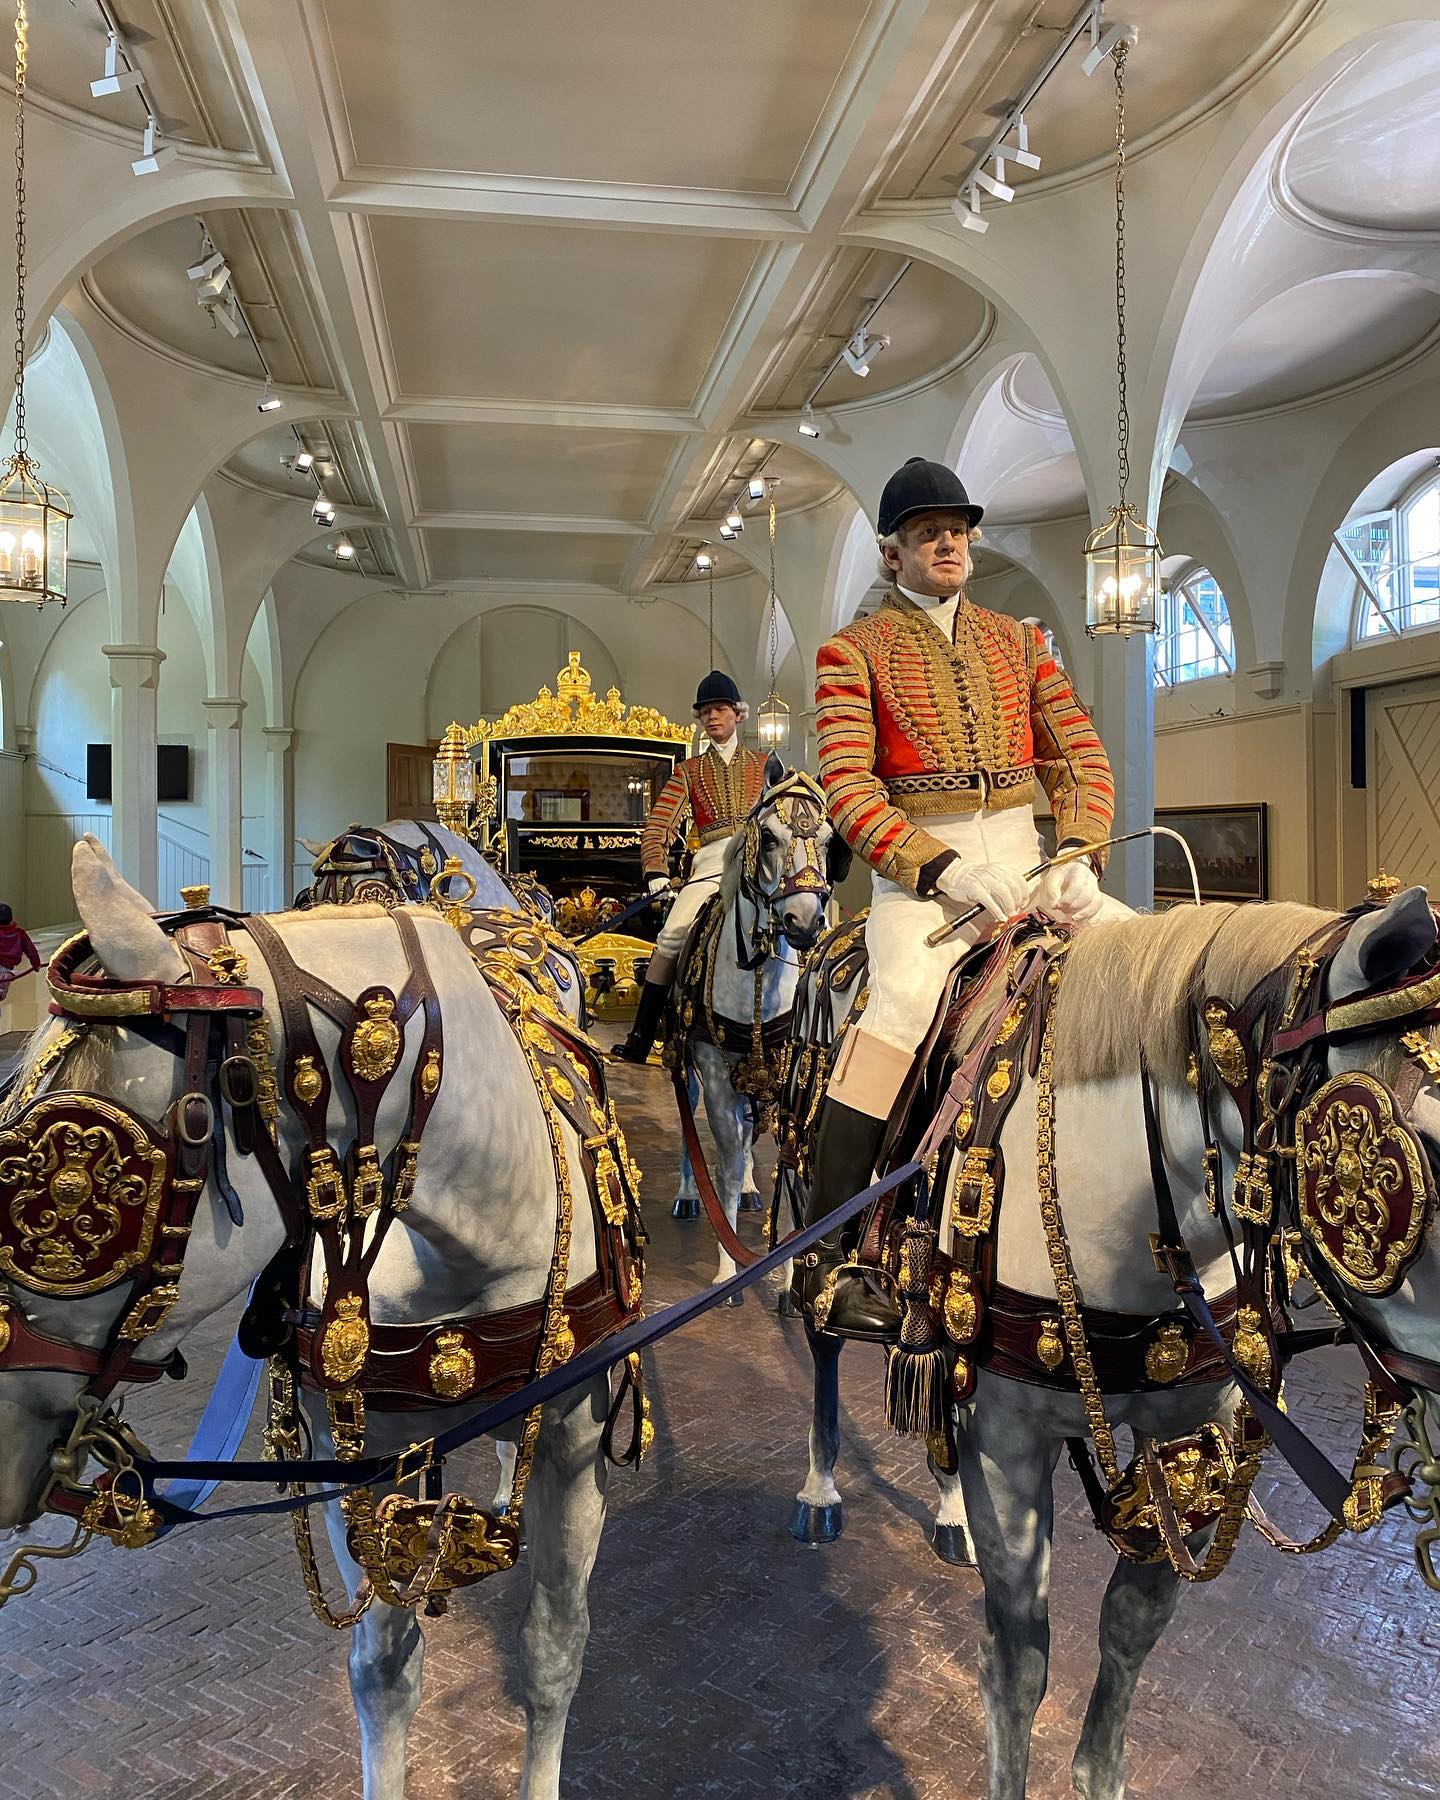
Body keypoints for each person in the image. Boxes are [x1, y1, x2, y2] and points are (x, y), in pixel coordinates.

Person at [794, 456, 1126, 1338]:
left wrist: (1081, 850)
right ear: (893, 553)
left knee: (1144, 957)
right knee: (900, 1002)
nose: (949, 542)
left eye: (958, 529)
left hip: (1030, 860)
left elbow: (1078, 759)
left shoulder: (1019, 642)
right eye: (928, 531)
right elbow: (848, 792)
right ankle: (826, 1256)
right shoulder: (848, 652)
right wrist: (937, 869)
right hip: (923, 886)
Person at [612, 671, 768, 1065]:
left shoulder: (764, 765)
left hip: (758, 865)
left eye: (719, 709)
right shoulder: (689, 771)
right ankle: (642, 1038)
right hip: (712, 866)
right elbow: (659, 824)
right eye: (705, 712)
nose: (712, 717)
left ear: (738, 714)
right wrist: (655, 870)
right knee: (671, 936)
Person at [0, 903, 42, 1002]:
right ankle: (2, 989)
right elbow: (31, 950)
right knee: (2, 987)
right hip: (7, 968)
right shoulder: (19, 932)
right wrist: (36, 964)